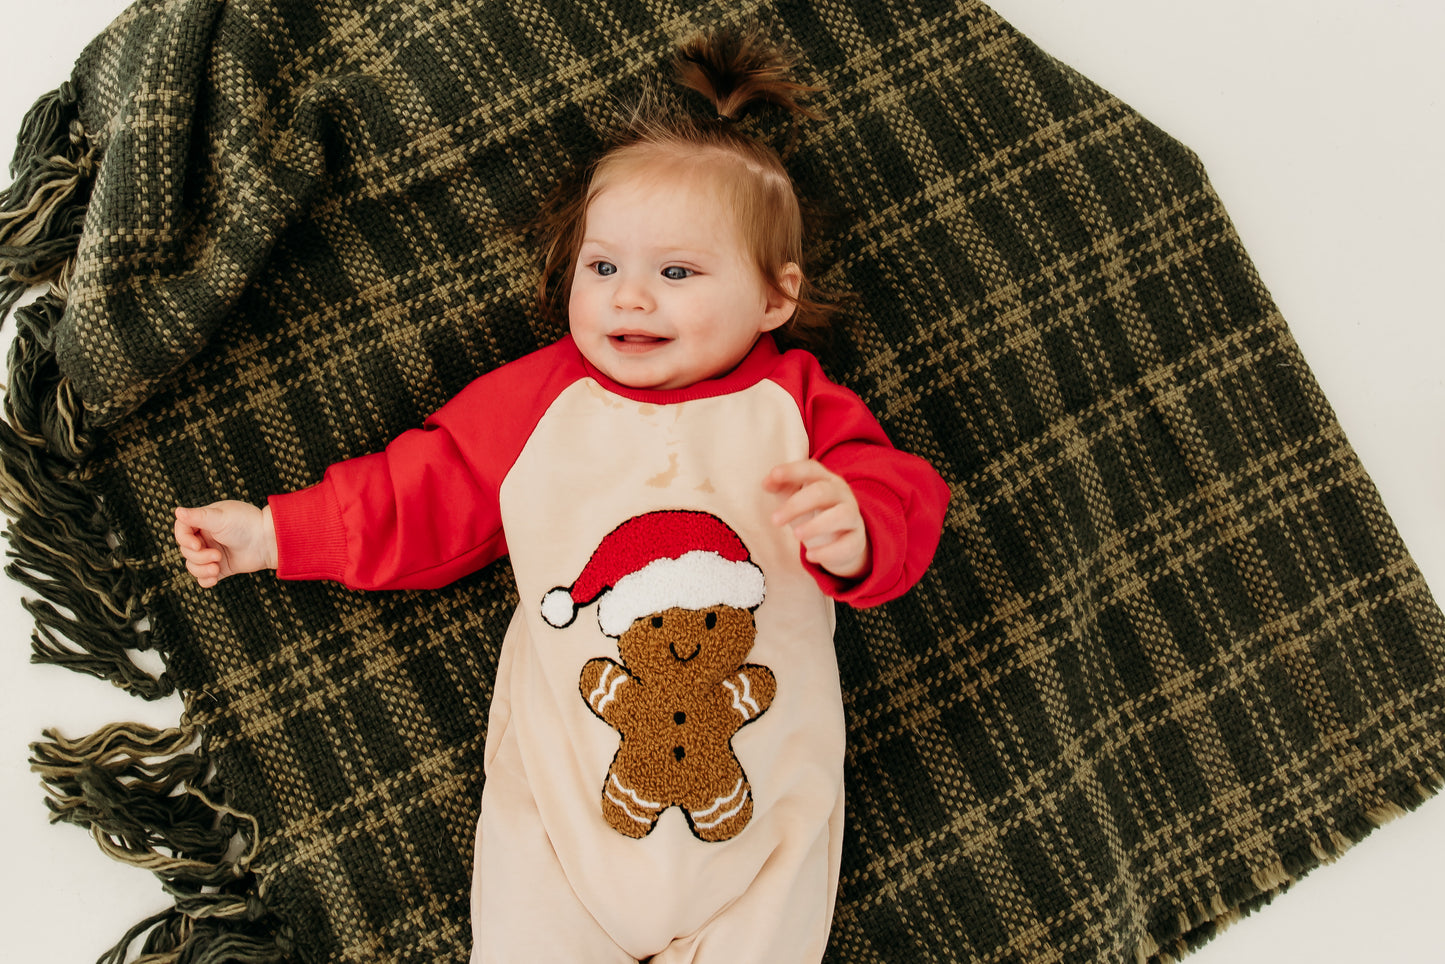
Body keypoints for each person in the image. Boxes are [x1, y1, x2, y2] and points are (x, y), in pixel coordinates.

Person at [174, 27, 949, 964]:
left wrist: (856, 526)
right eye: (603, 267)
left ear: (774, 299)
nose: (629, 299)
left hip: (767, 828)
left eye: (676, 273)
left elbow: (901, 493)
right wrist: (269, 534)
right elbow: (422, 491)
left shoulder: (798, 407)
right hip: (559, 821)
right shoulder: (541, 402)